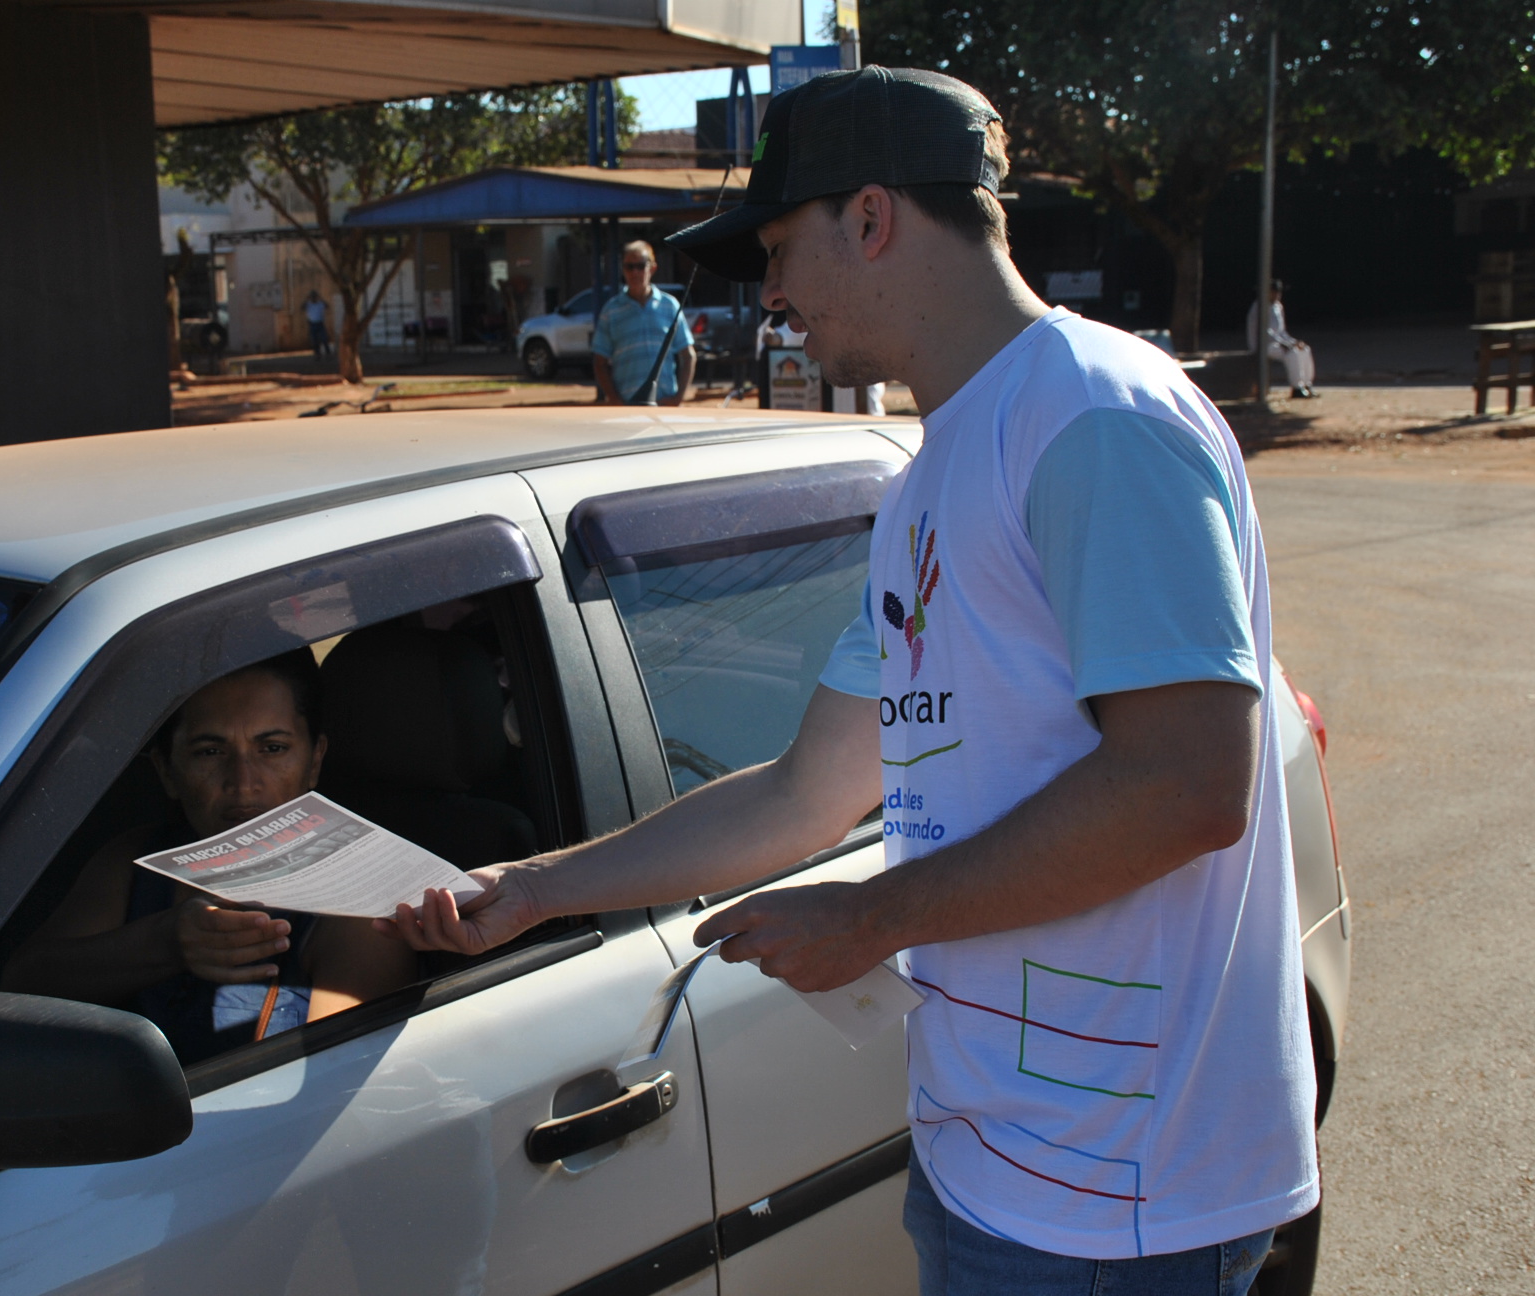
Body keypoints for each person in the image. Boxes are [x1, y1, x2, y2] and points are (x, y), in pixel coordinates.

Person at [385, 67, 1311, 1296]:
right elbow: (802, 796)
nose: (767, 297)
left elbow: (1189, 786)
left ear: (869, 218)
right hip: (991, 1158)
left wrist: (870, 919)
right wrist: (536, 890)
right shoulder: (934, 475)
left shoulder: (1096, 419)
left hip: (1121, 1200)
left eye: (776, 249)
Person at [3, 649, 416, 1063]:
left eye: (272, 748)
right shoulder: (135, 862)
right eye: (210, 752)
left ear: (314, 760)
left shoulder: (358, 912)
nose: (243, 783)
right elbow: (20, 990)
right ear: (166, 770)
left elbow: (327, 1089)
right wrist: (164, 942)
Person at [591, 240, 695, 406]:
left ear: (652, 268)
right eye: (629, 267)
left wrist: (678, 398)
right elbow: (599, 362)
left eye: (640, 266)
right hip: (627, 407)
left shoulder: (670, 306)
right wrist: (614, 399)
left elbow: (688, 355)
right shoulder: (610, 311)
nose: (635, 273)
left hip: (664, 405)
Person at [1246, 280, 1317, 398]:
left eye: (1278, 292)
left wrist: (1293, 342)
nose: (1276, 295)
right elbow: (1264, 332)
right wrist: (1284, 344)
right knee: (1292, 353)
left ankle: (1307, 384)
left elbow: (1281, 331)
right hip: (1262, 345)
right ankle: (1297, 388)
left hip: (1276, 343)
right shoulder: (1259, 307)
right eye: (1273, 292)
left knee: (1304, 349)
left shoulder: (1278, 306)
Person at [304, 289, 332, 361]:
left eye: (315, 296)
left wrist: (321, 298)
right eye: (312, 297)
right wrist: (306, 299)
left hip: (320, 323)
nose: (313, 298)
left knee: (324, 338)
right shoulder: (308, 304)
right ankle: (317, 354)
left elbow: (327, 306)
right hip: (312, 324)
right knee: (314, 340)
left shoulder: (320, 303)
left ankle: (328, 353)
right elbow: (302, 307)